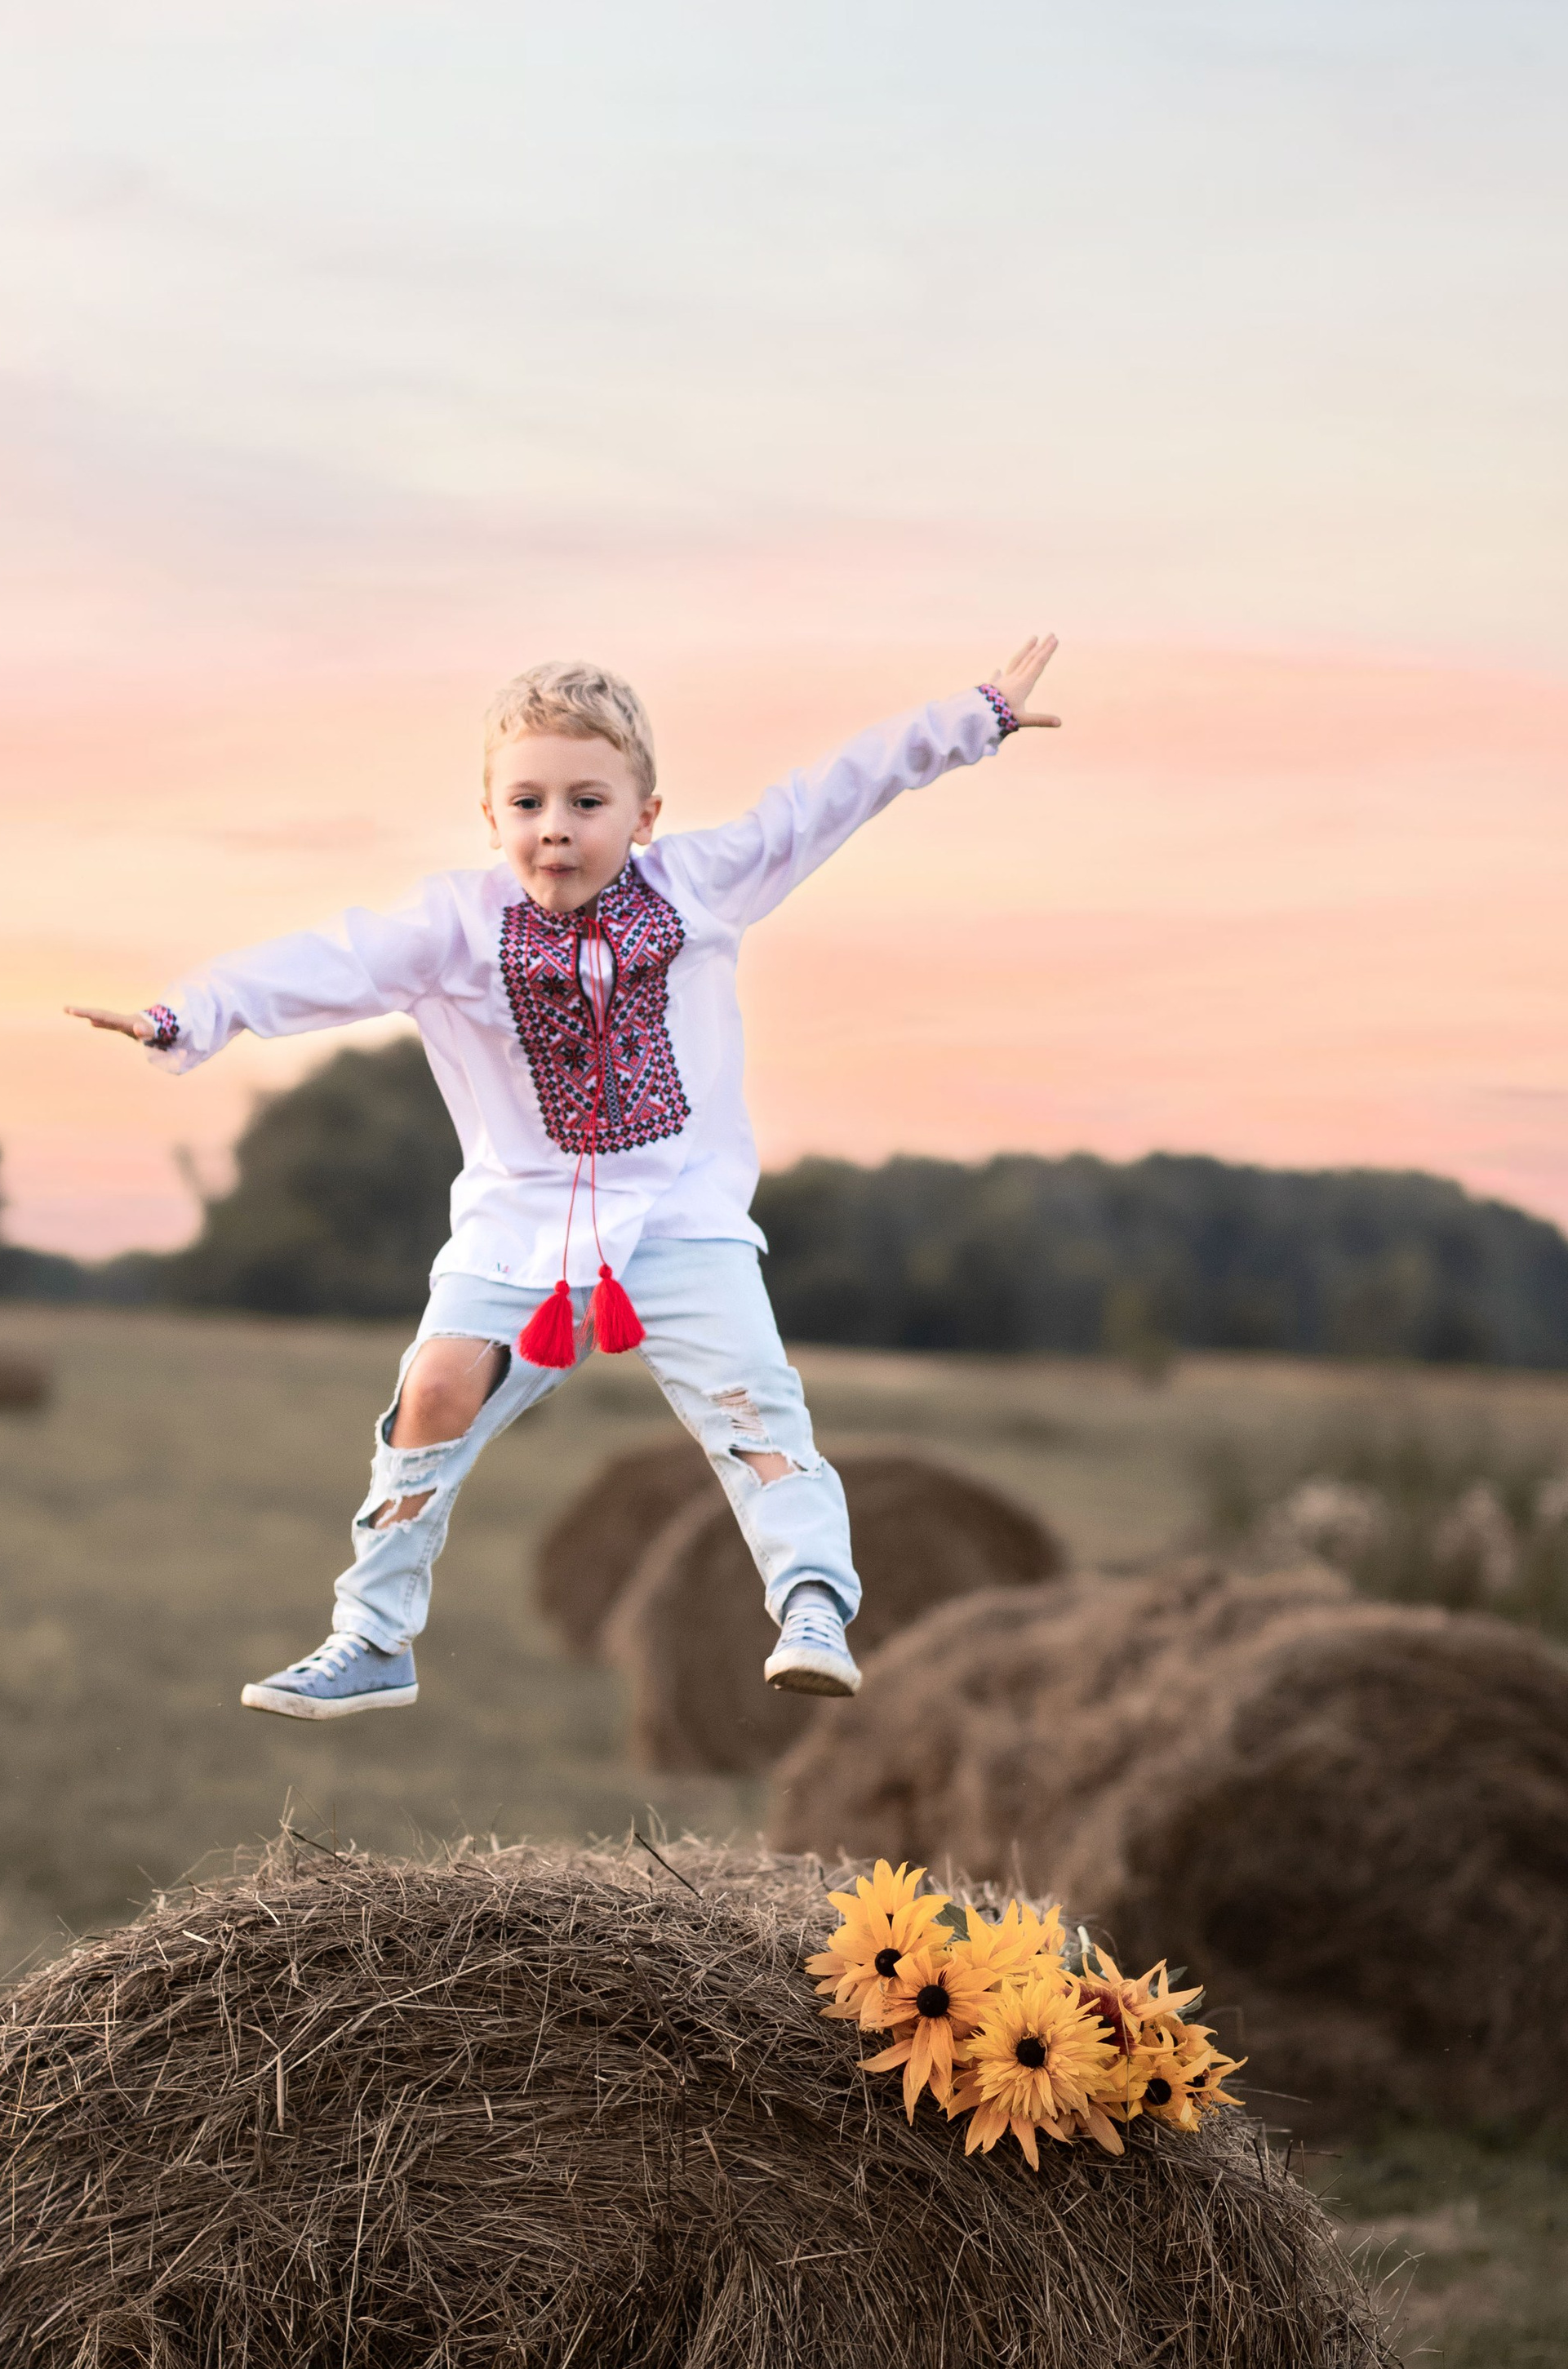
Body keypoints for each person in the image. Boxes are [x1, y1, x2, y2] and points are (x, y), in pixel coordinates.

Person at [69, 638, 1059, 1718]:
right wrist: (186, 1014)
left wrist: (976, 718)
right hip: (516, 1233)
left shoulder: (706, 882)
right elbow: (325, 962)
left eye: (588, 801)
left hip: (683, 1222)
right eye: (529, 801)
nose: (556, 826)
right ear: (491, 817)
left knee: (756, 1410)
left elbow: (831, 795)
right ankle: (372, 1636)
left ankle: (813, 1603)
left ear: (644, 814)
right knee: (433, 1392)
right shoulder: (452, 927)